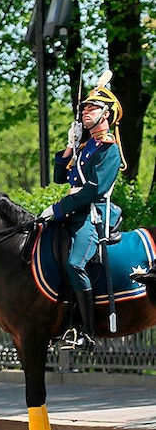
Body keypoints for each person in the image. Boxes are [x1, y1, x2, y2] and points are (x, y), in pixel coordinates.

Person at [39, 78, 126, 351]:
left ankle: (87, 333)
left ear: (106, 115)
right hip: (74, 211)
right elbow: (58, 177)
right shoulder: (87, 146)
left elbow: (93, 190)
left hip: (92, 213)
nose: (85, 112)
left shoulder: (109, 149)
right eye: (84, 108)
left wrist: (58, 208)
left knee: (76, 264)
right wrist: (70, 145)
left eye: (92, 108)